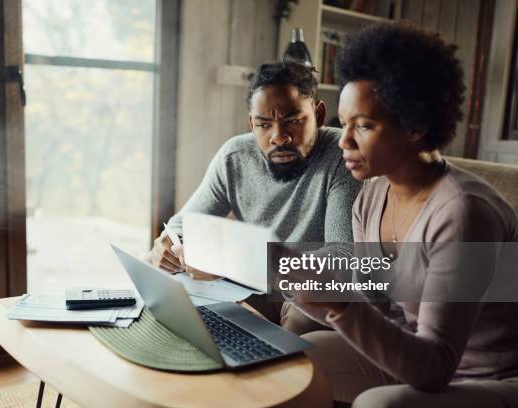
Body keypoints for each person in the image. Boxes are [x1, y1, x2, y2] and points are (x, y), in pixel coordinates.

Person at [287, 22, 518, 407]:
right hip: (417, 357)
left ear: (415, 125)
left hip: (490, 376)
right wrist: (306, 285)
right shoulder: (372, 196)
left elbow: (436, 367)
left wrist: (339, 304)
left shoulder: (464, 212)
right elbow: (374, 306)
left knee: (378, 405)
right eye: (344, 124)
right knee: (297, 354)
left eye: (363, 125)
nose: (344, 141)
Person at [148, 61, 362, 334]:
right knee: (185, 306)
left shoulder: (343, 156)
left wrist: (233, 260)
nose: (279, 137)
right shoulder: (235, 156)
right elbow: (184, 222)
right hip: (255, 286)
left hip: (310, 290)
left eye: (293, 121)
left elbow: (342, 258)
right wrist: (168, 244)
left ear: (319, 115)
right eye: (263, 124)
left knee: (305, 314)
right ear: (251, 123)